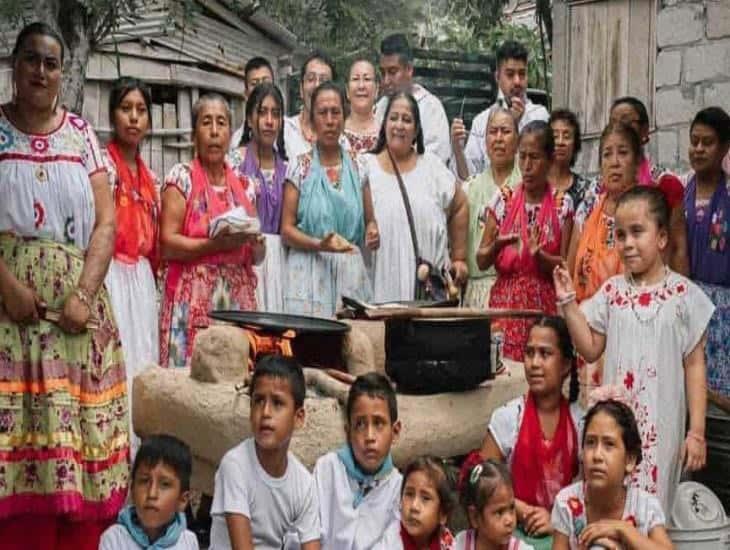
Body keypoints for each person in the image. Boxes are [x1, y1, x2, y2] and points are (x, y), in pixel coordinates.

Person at [0, 22, 129, 549]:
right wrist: (6, 286)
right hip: (10, 319)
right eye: (31, 59)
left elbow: (106, 221)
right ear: (13, 65)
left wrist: (82, 294)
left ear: (61, 72)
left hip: (77, 323)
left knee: (78, 442)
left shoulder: (82, 135)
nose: (40, 71)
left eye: (51, 63)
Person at [554, 186, 714, 511]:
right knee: (613, 508)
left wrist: (696, 432)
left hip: (662, 430)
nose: (627, 243)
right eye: (620, 234)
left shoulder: (684, 296)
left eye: (637, 232)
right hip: (616, 429)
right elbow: (589, 349)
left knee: (652, 513)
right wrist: (569, 302)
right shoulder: (611, 292)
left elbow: (695, 367)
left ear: (662, 238)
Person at [159, 93, 265, 368]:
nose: (215, 131)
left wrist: (256, 244)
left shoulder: (245, 185)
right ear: (195, 133)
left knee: (235, 379)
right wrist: (214, 246)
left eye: (221, 123)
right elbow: (168, 244)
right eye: (207, 123)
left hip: (236, 303)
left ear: (231, 133)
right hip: (191, 298)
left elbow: (256, 256)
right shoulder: (180, 178)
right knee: (188, 385)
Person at [477, 317, 581, 549]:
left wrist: (557, 518)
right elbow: (478, 482)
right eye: (529, 353)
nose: (534, 363)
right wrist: (517, 508)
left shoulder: (581, 422)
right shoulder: (507, 418)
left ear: (565, 365)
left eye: (545, 354)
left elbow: (592, 493)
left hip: (564, 533)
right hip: (509, 531)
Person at [477, 121, 573, 361]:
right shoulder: (503, 199)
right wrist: (498, 244)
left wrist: (539, 255)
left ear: (550, 161)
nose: (527, 166)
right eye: (523, 157)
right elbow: (480, 260)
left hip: (543, 312)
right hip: (505, 310)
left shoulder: (562, 205)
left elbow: (564, 267)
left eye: (535, 158)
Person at [281, 82, 378, 317]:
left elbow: (370, 220)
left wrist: (372, 231)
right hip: (308, 272)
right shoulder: (299, 167)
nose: (330, 120)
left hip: (349, 273)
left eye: (335, 112)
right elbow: (286, 230)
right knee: (309, 347)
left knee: (351, 346)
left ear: (344, 117)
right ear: (312, 120)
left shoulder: (359, 166)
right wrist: (318, 245)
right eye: (322, 113)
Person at [363, 91, 468, 303]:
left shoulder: (432, 167)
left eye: (407, 120)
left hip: (428, 291)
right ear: (384, 125)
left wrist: (459, 258)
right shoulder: (365, 168)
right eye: (393, 118)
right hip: (379, 285)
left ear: (417, 129)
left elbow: (460, 205)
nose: (399, 125)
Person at [209, 355, 321, 549]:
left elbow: (311, 545)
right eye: (259, 401)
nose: (266, 412)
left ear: (299, 417)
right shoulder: (236, 465)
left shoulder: (304, 484)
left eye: (277, 403)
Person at [565, 122, 642, 404]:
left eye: (623, 153)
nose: (614, 162)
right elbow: (573, 269)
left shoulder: (644, 211)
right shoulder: (590, 210)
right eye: (607, 154)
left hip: (629, 335)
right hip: (589, 337)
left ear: (638, 161)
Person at [103, 77, 159, 454]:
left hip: (140, 276)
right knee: (114, 363)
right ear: (112, 116)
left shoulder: (149, 177)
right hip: (109, 273)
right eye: (126, 109)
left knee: (142, 362)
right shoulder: (103, 167)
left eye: (141, 111)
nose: (134, 118)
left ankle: (139, 456)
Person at [552, 396, 672, 550]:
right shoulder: (567, 503)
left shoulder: (645, 507)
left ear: (629, 460)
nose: (597, 455)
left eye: (609, 444)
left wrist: (624, 530)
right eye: (590, 443)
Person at [314, 373, 403, 549]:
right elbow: (308, 532)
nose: (369, 437)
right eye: (360, 424)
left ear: (395, 431)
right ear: (348, 432)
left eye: (378, 423)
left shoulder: (399, 490)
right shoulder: (328, 469)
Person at [609, 97, 689, 275]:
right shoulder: (598, 190)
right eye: (613, 123)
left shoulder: (666, 185)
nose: (620, 128)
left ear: (645, 131)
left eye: (627, 122)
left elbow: (678, 249)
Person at [451, 41, 549, 180]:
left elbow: (546, 167)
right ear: (497, 77)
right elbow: (469, 179)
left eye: (522, 74)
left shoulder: (539, 116)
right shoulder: (481, 121)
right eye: (510, 74)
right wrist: (457, 149)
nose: (517, 81)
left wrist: (515, 124)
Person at [229, 83, 288, 313]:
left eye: (276, 113)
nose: (269, 120)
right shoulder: (235, 163)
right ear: (250, 119)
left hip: (281, 262)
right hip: (248, 259)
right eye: (262, 112)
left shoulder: (287, 168)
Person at [684, 107, 730, 397]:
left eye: (708, 142)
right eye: (694, 141)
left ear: (725, 147)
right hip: (687, 306)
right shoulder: (679, 191)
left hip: (724, 312)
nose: (698, 149)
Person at [463, 107, 521, 308]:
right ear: (485, 141)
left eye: (505, 132)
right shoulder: (470, 189)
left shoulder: (528, 186)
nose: (498, 138)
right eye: (492, 132)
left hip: (518, 290)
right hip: (477, 292)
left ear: (517, 141)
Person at [100, 435, 199, 549]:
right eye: (144, 481)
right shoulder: (114, 539)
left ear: (182, 500)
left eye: (165, 484)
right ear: (132, 489)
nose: (152, 494)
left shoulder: (188, 542)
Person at [376, 33, 451, 165]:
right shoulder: (381, 106)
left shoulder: (431, 108)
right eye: (383, 73)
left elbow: (437, 160)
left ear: (409, 69)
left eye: (392, 72)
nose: (386, 80)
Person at [377, 456, 456, 549]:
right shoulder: (390, 542)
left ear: (443, 514)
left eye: (425, 498)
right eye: (409, 494)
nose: (414, 506)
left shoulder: (446, 542)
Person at [456, 460, 534, 550]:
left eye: (512, 508)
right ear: (475, 517)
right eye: (499, 512)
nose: (509, 520)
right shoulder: (461, 544)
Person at [284, 51, 338, 159]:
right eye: (311, 79)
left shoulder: (341, 139)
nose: (316, 86)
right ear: (301, 89)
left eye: (323, 80)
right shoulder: (284, 131)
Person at [547, 109, 590, 211]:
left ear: (575, 144)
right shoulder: (535, 184)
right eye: (555, 136)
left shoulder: (586, 190)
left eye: (566, 137)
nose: (560, 142)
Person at [230, 56, 275, 151]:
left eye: (266, 82)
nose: (261, 89)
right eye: (254, 84)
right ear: (246, 94)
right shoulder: (236, 141)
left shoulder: (291, 132)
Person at [344, 58, 381, 154]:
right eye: (355, 79)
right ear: (347, 90)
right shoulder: (334, 133)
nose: (361, 86)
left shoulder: (387, 134)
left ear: (377, 89)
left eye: (367, 79)